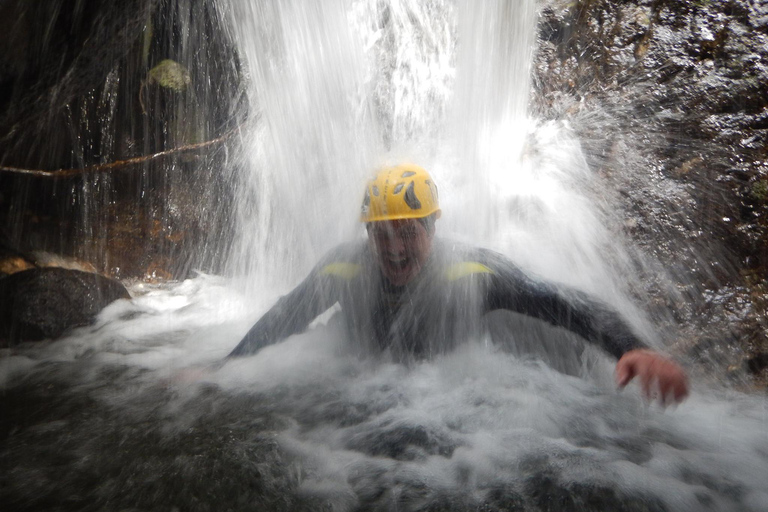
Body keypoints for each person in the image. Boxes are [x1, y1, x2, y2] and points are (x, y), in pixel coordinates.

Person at [229, 164, 689, 404]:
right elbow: (287, 314)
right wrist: (222, 368)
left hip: (445, 401)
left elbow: (561, 302)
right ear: (367, 233)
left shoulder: (470, 272)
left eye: (408, 231)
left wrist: (631, 346)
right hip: (361, 390)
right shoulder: (343, 269)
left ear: (432, 228)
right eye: (381, 232)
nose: (394, 247)